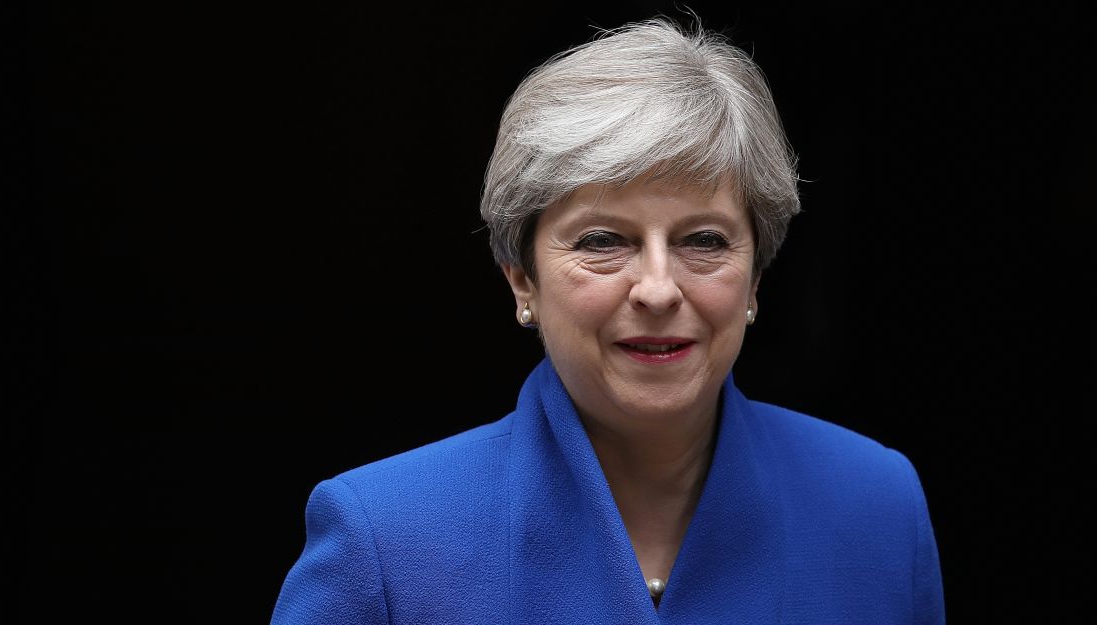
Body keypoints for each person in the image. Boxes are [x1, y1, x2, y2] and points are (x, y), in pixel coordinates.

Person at [270, 16, 945, 624]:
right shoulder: (384, 539)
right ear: (521, 278)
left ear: (756, 277)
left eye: (703, 240)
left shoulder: (877, 508)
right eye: (602, 240)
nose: (657, 288)